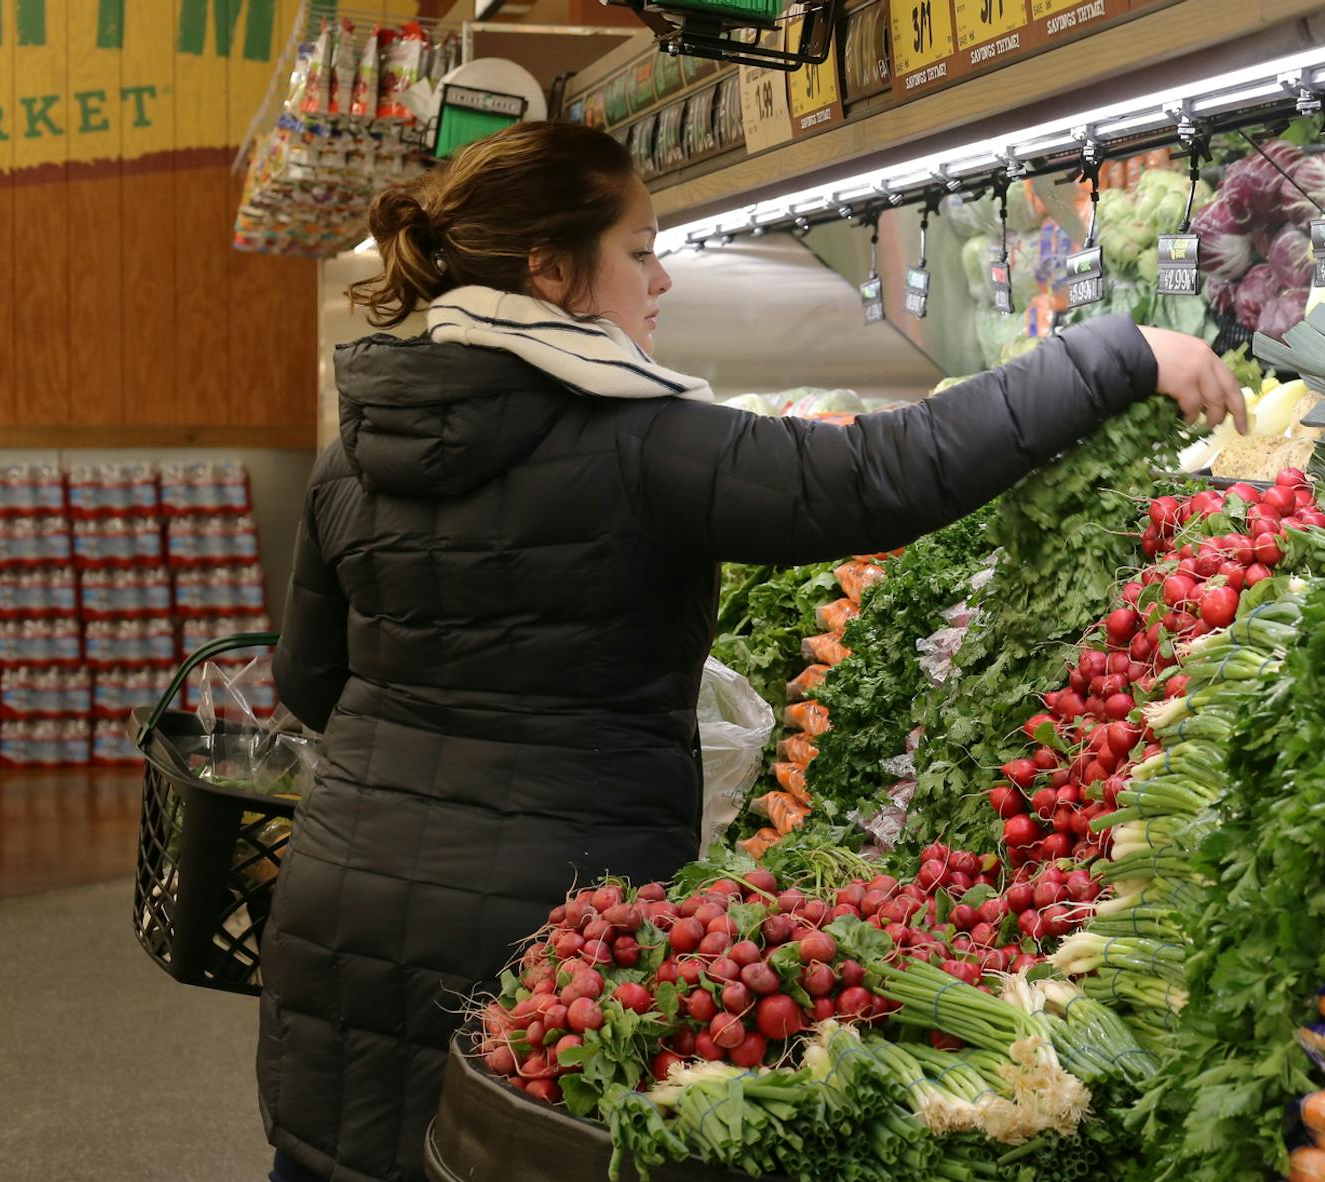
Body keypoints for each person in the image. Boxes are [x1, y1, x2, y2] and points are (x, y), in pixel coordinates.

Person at [258, 120, 1245, 1182]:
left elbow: (308, 681)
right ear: (550, 269)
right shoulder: (638, 441)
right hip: (540, 921)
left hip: (338, 901)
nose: (663, 279)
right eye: (638, 251)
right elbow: (877, 479)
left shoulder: (351, 454)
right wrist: (1119, 354)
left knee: (337, 1160)